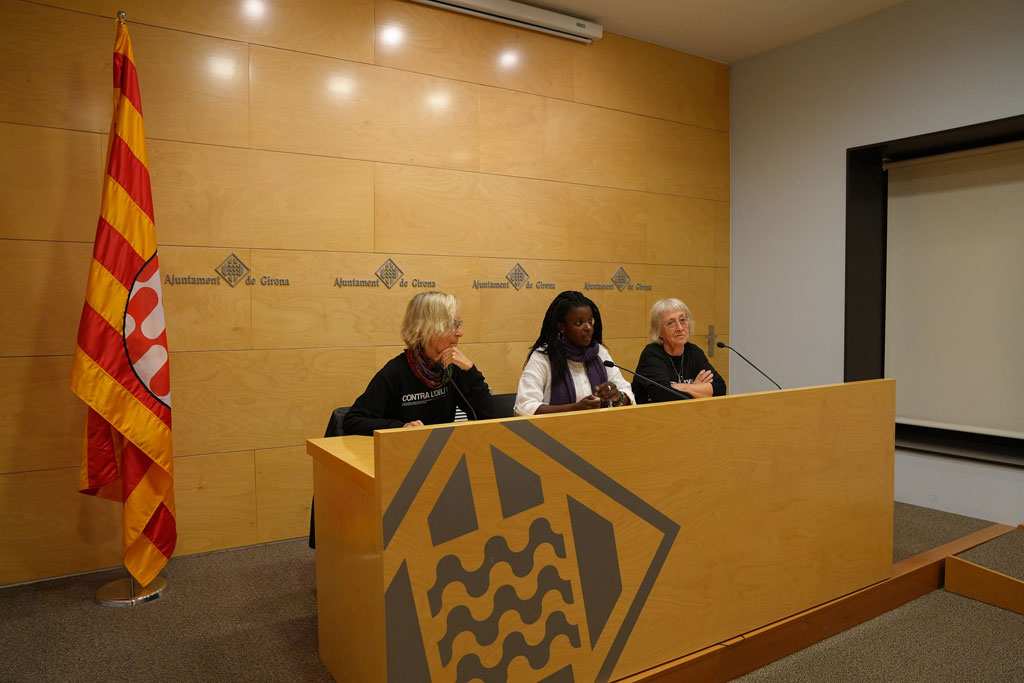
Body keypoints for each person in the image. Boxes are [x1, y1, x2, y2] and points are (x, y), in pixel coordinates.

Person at [342, 291, 494, 435]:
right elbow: (353, 421)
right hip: (405, 450)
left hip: (444, 448)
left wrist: (471, 371)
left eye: (459, 324)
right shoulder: (396, 372)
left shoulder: (453, 367)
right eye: (453, 325)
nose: (460, 333)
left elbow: (490, 417)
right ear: (428, 328)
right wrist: (401, 428)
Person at [514, 290, 634, 415]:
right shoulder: (543, 357)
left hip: (601, 425)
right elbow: (524, 407)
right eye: (579, 323)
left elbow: (627, 392)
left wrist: (617, 397)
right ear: (562, 327)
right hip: (556, 428)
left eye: (590, 321)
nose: (588, 328)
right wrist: (574, 409)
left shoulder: (599, 353)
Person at [633, 298, 726, 403]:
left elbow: (720, 388)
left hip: (688, 412)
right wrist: (699, 390)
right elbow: (664, 396)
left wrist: (684, 387)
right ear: (659, 331)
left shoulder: (694, 352)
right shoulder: (652, 355)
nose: (680, 328)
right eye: (670, 323)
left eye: (682, 320)